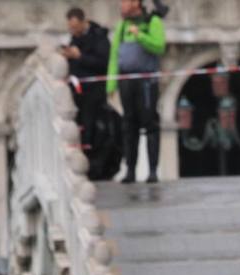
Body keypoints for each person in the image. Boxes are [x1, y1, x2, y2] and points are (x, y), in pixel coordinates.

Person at [107, 0, 167, 184]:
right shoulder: (122, 26)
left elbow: (159, 46)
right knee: (129, 125)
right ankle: (130, 170)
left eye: (124, 2)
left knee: (149, 124)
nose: (120, 5)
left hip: (146, 81)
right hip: (126, 81)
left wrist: (140, 35)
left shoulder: (153, 22)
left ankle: (153, 171)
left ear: (135, 3)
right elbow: (115, 55)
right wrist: (111, 84)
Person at [62, 8, 116, 179]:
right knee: (79, 129)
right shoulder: (74, 39)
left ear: (83, 22)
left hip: (95, 93)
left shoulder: (99, 37)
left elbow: (104, 63)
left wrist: (80, 57)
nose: (74, 31)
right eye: (71, 28)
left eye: (76, 27)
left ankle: (94, 168)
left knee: (93, 131)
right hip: (77, 93)